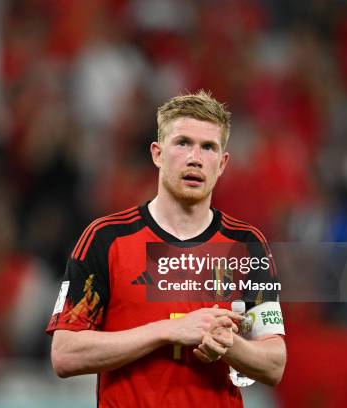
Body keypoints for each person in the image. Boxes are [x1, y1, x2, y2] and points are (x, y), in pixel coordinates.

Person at [46, 91, 286, 407]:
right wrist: (167, 331)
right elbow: (65, 354)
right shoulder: (105, 239)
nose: (195, 158)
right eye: (183, 143)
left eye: (209, 147)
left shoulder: (247, 245)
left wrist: (228, 345)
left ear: (222, 163)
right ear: (158, 154)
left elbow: (274, 363)